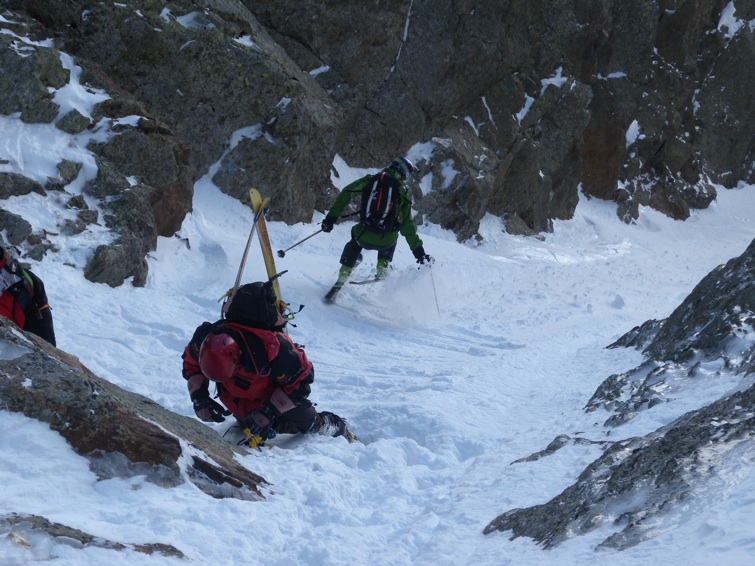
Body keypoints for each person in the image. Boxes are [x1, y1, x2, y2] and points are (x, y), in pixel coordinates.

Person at [181, 277, 355, 448]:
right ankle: (266, 423)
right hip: (239, 401)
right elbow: (191, 364)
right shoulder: (206, 339)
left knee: (307, 422)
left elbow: (300, 384)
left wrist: (268, 411)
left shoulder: (275, 349)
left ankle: (334, 426)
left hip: (272, 400)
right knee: (258, 425)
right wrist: (199, 397)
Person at [321, 156, 433, 284]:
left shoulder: (371, 180)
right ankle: (382, 267)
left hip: (362, 235)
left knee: (354, 241)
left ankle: (344, 272)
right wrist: (420, 254)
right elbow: (408, 227)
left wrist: (331, 218)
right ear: (404, 174)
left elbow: (347, 192)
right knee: (393, 236)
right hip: (386, 241)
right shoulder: (402, 192)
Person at [0, 245, 56, 346]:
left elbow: (10, 330)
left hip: (34, 306)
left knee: (47, 355)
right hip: (28, 293)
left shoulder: (6, 292)